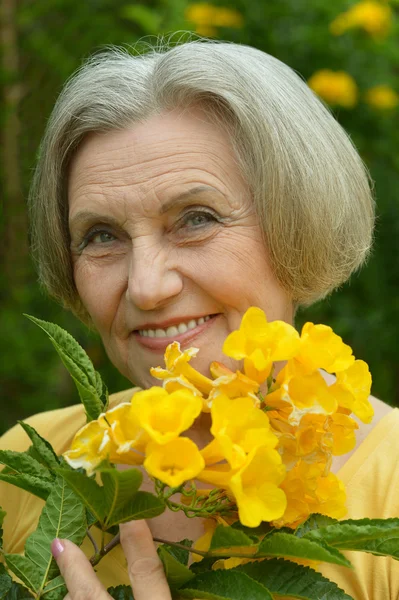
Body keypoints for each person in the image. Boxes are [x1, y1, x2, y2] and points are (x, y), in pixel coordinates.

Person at [0, 39, 397, 600]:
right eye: (102, 236)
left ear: (297, 223)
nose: (146, 285)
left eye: (196, 219)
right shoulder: (23, 465)